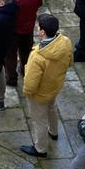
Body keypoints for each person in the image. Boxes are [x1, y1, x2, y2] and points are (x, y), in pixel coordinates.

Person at [20, 14, 73, 158]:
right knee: (51, 108)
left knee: (39, 120)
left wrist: (27, 92)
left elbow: (31, 83)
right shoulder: (66, 41)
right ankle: (54, 132)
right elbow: (70, 62)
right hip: (55, 86)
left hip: (39, 94)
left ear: (42, 32)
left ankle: (40, 148)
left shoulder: (37, 56)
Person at [6, 0, 42, 87]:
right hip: (29, 26)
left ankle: (11, 79)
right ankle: (25, 70)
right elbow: (39, 3)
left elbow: (10, 12)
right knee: (26, 52)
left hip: (14, 30)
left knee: (10, 55)